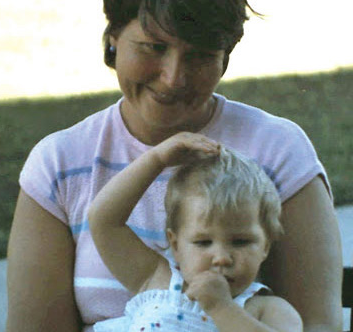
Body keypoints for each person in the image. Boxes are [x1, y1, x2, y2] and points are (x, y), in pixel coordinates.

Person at [6, 1, 343, 331]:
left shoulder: (279, 150)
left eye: (200, 55)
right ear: (114, 37)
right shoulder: (59, 163)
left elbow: (318, 324)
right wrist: (153, 161)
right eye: (153, 47)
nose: (173, 78)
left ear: (224, 57)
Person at [89, 132, 303, 332]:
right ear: (175, 245)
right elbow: (103, 220)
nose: (221, 258)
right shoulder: (156, 280)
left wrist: (221, 308)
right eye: (203, 242)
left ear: (265, 246)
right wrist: (156, 159)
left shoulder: (267, 309)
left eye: (240, 242)